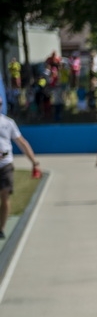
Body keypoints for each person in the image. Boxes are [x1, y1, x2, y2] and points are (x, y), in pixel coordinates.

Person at [0, 95, 40, 240]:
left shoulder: (8, 123)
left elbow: (21, 142)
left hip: (5, 164)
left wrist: (34, 161)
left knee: (5, 195)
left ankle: (1, 228)